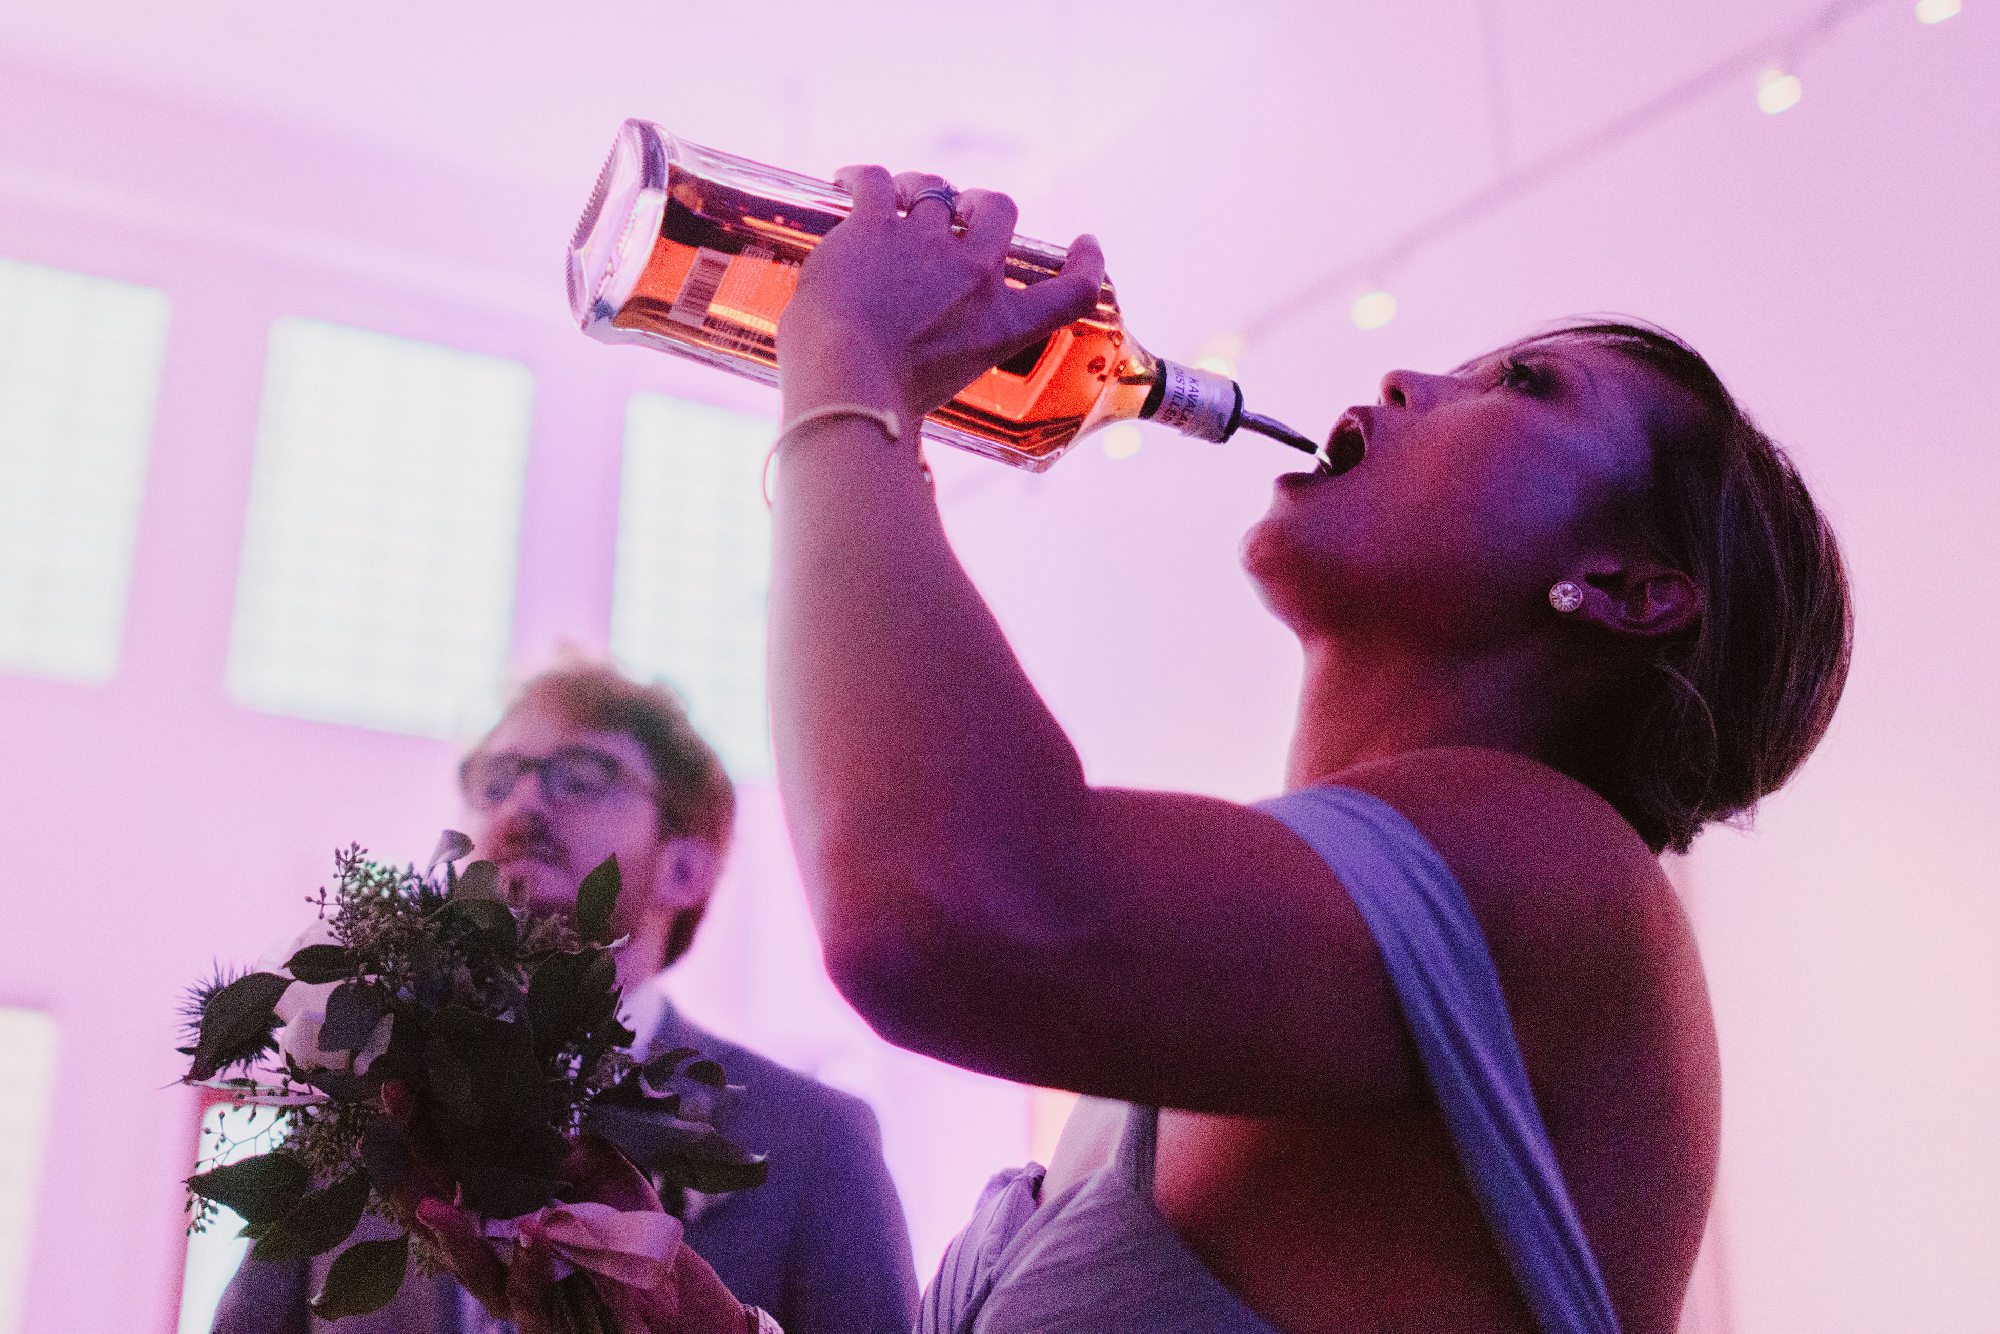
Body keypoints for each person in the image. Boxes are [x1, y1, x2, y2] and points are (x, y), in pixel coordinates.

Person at [430, 159, 1852, 1333]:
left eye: (1526, 388)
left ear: (1624, 589)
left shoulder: (1559, 869)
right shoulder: (1231, 990)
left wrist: (850, 370)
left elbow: (944, 910)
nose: (1414, 375)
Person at [211, 659, 919, 1334]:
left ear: (684, 870)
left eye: (581, 778)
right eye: (495, 781)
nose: (521, 803)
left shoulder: (815, 1144)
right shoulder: (365, 1119)